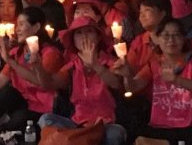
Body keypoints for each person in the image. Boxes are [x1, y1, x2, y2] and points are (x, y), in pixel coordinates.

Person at [113, 18, 192, 145]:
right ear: (158, 39)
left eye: (176, 35)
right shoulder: (153, 65)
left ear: (184, 39)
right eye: (166, 35)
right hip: (162, 126)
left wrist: (177, 80)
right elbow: (132, 88)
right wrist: (127, 76)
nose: (171, 40)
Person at [0, 6, 64, 133]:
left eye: (21, 24)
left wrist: (11, 62)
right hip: (20, 103)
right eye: (17, 25)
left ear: (36, 27)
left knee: (18, 117)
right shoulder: (17, 53)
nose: (17, 29)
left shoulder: (50, 53)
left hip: (43, 109)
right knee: (8, 93)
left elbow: (42, 83)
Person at [37, 17, 126, 145]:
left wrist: (95, 64)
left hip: (106, 124)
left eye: (89, 31)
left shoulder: (110, 62)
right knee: (46, 119)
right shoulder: (72, 67)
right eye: (78, 33)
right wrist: (38, 67)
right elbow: (49, 84)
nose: (84, 36)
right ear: (73, 40)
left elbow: (116, 83)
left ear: (98, 36)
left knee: (114, 134)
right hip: (77, 124)